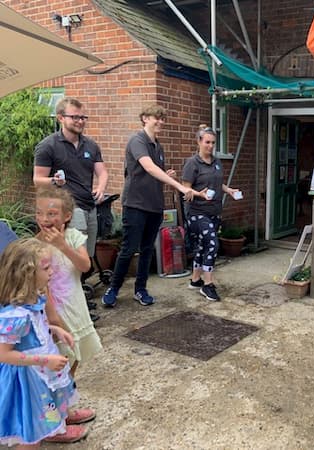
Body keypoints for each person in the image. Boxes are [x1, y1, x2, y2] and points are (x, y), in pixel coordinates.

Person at [102, 105, 194, 308]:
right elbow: (149, 167)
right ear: (144, 118)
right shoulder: (138, 141)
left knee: (146, 250)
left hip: (154, 206)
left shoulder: (157, 146)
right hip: (135, 204)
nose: (160, 122)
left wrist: (167, 176)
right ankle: (113, 289)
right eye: (156, 118)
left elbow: (155, 173)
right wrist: (177, 185)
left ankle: (141, 290)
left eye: (163, 119)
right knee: (128, 249)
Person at [0, 239, 87, 448]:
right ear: (27, 274)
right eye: (46, 268)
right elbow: (3, 354)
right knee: (32, 432)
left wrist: (54, 330)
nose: (51, 272)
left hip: (41, 373)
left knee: (43, 420)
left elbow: (32, 333)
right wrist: (45, 359)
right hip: (27, 380)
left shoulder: (32, 301)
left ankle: (56, 430)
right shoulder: (14, 315)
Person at [35, 187, 102, 436]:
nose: (44, 219)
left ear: (66, 215)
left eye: (51, 213)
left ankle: (63, 410)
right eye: (39, 213)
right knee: (53, 370)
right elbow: (38, 284)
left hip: (75, 310)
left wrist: (63, 245)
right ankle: (53, 427)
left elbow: (84, 265)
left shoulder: (73, 236)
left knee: (72, 362)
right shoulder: (35, 244)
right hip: (53, 316)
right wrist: (53, 317)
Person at [33, 97, 109, 259]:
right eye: (75, 117)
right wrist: (54, 181)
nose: (80, 121)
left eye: (83, 117)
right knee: (74, 256)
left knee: (87, 256)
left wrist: (101, 188)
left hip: (90, 205)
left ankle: (78, 283)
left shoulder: (91, 145)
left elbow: (102, 172)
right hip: (69, 209)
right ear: (61, 117)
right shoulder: (47, 146)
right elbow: (38, 180)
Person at [182, 125, 241, 302]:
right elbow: (185, 188)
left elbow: (217, 184)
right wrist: (198, 194)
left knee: (202, 246)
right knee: (213, 245)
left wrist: (229, 190)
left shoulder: (216, 162)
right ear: (199, 142)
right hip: (197, 213)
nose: (210, 146)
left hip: (214, 211)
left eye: (213, 143)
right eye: (207, 142)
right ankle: (208, 285)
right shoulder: (192, 163)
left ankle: (195, 280)